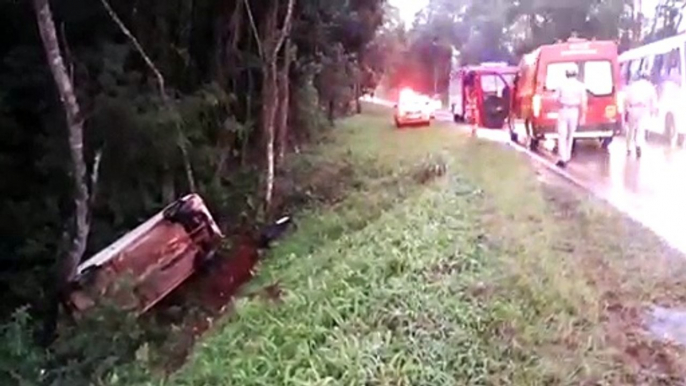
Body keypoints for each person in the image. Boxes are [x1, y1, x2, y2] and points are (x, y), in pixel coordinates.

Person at [554, 64, 587, 167]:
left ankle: (562, 157)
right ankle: (567, 157)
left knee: (562, 134)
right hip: (574, 111)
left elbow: (555, 98)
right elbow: (583, 102)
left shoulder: (561, 85)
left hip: (563, 110)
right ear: (576, 74)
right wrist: (583, 116)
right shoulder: (580, 86)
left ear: (566, 73)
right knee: (570, 135)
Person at [624, 70, 657, 158]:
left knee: (630, 129)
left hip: (633, 108)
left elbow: (626, 99)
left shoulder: (633, 86)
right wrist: (653, 111)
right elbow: (653, 100)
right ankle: (638, 146)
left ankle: (629, 148)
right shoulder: (650, 86)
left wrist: (626, 110)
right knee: (640, 129)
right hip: (643, 109)